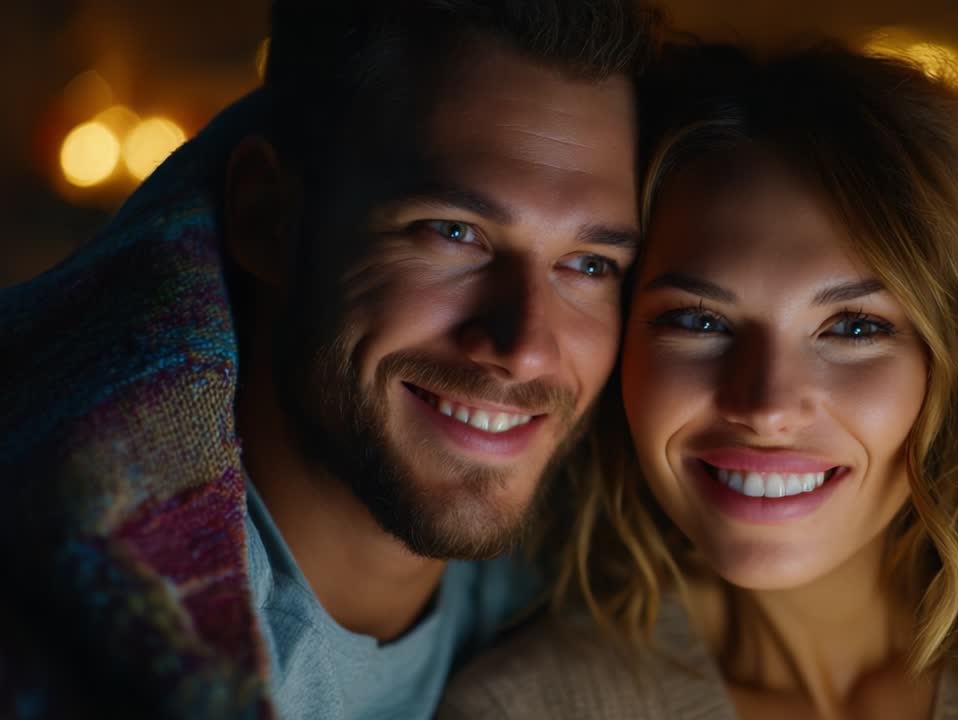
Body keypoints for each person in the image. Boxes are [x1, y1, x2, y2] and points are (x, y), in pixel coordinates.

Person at [438, 43, 958, 719]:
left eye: (853, 328)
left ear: (946, 364)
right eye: (699, 321)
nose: (764, 406)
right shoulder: (532, 704)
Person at [0, 1, 658, 717]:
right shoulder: (66, 624)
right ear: (268, 218)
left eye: (590, 266)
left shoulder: (589, 579)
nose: (525, 346)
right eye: (453, 231)